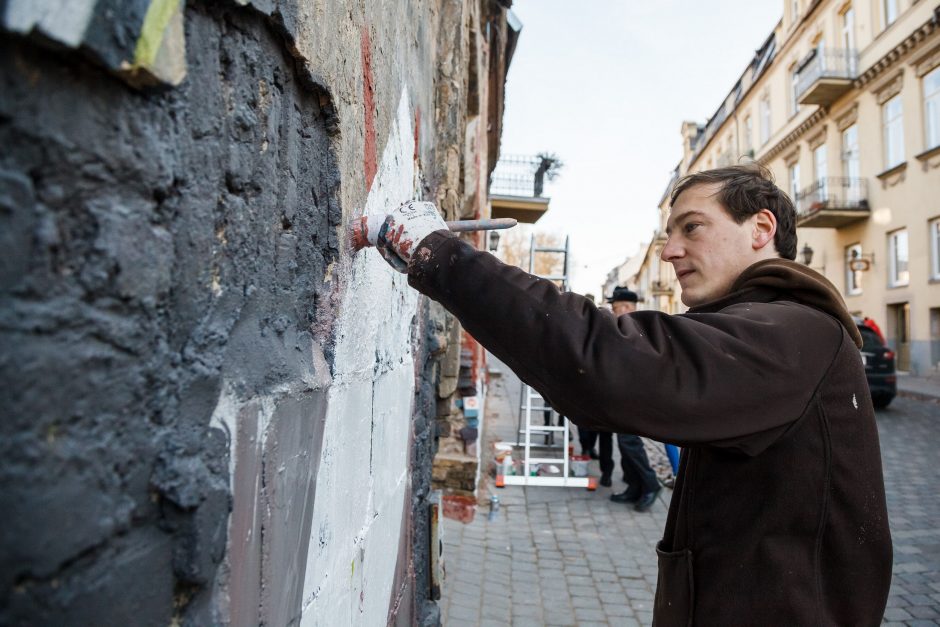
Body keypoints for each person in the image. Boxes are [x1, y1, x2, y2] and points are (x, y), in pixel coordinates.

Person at [365, 166, 892, 624]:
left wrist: (442, 255)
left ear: (761, 228)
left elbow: (606, 361)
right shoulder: (773, 326)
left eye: (693, 228)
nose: (671, 251)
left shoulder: (793, 332)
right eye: (670, 233)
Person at [603, 287, 663, 511]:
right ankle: (634, 486)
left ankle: (650, 484)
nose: (613, 310)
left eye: (615, 307)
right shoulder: (626, 326)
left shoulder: (636, 327)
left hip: (636, 396)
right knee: (625, 442)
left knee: (630, 442)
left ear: (626, 307)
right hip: (625, 395)